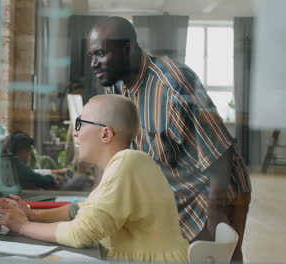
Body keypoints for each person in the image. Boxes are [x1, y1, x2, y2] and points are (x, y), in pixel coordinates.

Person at [86, 16, 251, 261]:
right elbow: (113, 150)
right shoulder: (115, 86)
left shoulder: (175, 85)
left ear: (127, 49)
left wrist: (215, 214)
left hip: (215, 191)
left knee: (215, 258)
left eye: (100, 54)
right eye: (91, 56)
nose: (93, 64)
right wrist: (94, 201)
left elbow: (219, 153)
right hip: (176, 191)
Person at [0, 95, 189, 263]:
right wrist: (31, 214)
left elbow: (81, 233)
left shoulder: (128, 162)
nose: (75, 133)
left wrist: (22, 226)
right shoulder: (126, 163)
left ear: (105, 134)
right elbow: (82, 210)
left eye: (80, 123)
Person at [2, 131, 67, 189]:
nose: (29, 154)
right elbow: (38, 179)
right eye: (28, 150)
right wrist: (53, 178)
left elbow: (30, 172)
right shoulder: (15, 162)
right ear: (22, 149)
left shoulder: (7, 160)